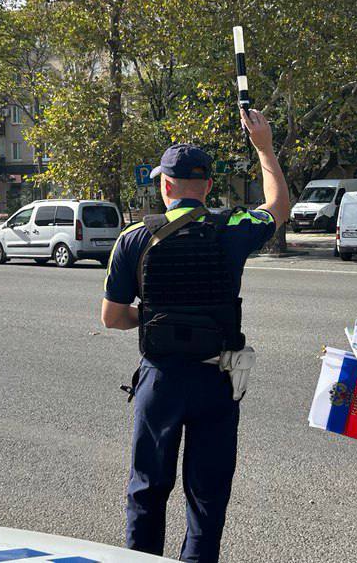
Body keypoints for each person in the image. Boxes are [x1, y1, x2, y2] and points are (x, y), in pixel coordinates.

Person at [100, 108, 289, 563]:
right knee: (206, 499)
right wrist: (264, 147)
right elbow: (279, 207)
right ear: (207, 186)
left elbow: (111, 317)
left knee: (147, 490)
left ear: (164, 185)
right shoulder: (233, 229)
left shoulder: (133, 238)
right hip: (215, 381)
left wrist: (149, 320)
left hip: (160, 379)